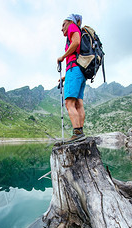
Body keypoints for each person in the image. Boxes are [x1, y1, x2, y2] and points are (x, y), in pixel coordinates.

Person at [57, 14, 86, 142]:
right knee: (78, 103)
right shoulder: (76, 29)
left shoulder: (72, 27)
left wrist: (62, 57)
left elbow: (76, 43)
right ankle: (80, 132)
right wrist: (65, 77)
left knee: (69, 103)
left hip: (73, 69)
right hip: (79, 71)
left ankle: (77, 133)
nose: (62, 28)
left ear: (69, 22)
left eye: (63, 24)